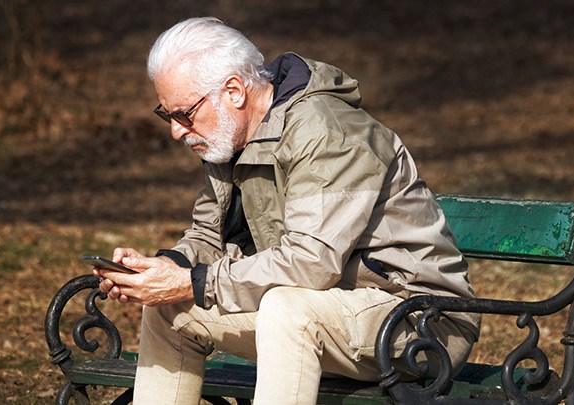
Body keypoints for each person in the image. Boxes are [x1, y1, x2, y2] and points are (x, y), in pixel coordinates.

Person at [94, 17, 480, 405]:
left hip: (419, 320)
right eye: (167, 115)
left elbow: (311, 262)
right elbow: (207, 236)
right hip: (323, 310)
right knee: (169, 308)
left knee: (286, 308)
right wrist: (161, 270)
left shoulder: (327, 132)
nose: (176, 131)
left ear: (233, 92)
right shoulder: (227, 139)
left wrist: (191, 281)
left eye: (184, 114)